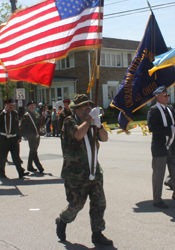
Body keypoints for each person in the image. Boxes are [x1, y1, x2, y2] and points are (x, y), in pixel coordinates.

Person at [55, 94, 113, 246]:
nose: (88, 108)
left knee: (99, 203)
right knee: (76, 205)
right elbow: (78, 135)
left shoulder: (93, 122)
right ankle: (62, 219)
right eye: (83, 106)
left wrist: (99, 125)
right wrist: (89, 120)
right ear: (75, 108)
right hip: (76, 174)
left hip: (94, 171)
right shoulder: (69, 121)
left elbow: (105, 138)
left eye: (89, 106)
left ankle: (97, 234)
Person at [0, 99, 28, 179]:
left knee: (16, 156)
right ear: (5, 106)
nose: (12, 107)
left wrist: (19, 137)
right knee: (2, 156)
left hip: (13, 138)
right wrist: (4, 112)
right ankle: (1, 173)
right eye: (10, 105)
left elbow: (17, 126)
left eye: (13, 105)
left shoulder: (14, 113)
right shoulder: (0, 113)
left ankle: (20, 171)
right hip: (3, 138)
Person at [21, 101, 44, 173]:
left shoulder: (37, 114)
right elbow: (22, 126)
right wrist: (19, 136)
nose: (33, 106)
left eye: (34, 105)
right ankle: (39, 166)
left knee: (33, 150)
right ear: (28, 107)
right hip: (30, 134)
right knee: (34, 151)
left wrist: (43, 117)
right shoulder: (26, 115)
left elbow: (40, 123)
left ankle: (29, 166)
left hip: (37, 134)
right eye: (31, 105)